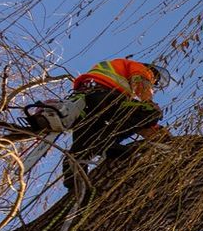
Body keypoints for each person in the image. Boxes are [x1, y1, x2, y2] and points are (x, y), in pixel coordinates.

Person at [25, 58, 166, 195]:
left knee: (83, 145)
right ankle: (107, 143)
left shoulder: (115, 66)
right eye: (153, 80)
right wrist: (150, 109)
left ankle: (75, 185)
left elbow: (128, 117)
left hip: (85, 100)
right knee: (151, 111)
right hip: (106, 96)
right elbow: (142, 86)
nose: (152, 82)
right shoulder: (140, 68)